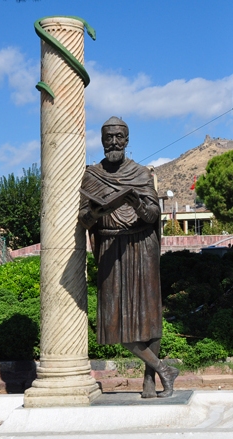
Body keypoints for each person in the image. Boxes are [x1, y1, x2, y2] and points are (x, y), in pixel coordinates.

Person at [79, 116, 178, 398]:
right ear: (101, 140)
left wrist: (135, 201)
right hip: (111, 249)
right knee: (113, 325)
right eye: (108, 136)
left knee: (149, 318)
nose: (113, 142)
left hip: (142, 246)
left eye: (119, 136)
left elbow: (152, 215)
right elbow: (84, 219)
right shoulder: (92, 175)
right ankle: (164, 368)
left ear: (127, 139)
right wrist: (96, 214)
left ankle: (150, 381)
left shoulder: (141, 174)